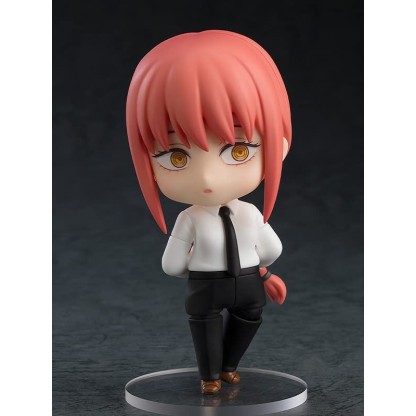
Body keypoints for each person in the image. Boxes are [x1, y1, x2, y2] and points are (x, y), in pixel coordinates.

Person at [126, 30, 291, 394]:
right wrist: (202, 269)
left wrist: (263, 274)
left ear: (278, 146)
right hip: (207, 285)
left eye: (238, 150)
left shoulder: (249, 214)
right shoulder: (190, 218)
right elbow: (171, 265)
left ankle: (227, 367)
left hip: (246, 281)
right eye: (176, 157)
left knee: (250, 317)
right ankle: (210, 376)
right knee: (205, 327)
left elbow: (270, 250)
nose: (207, 178)